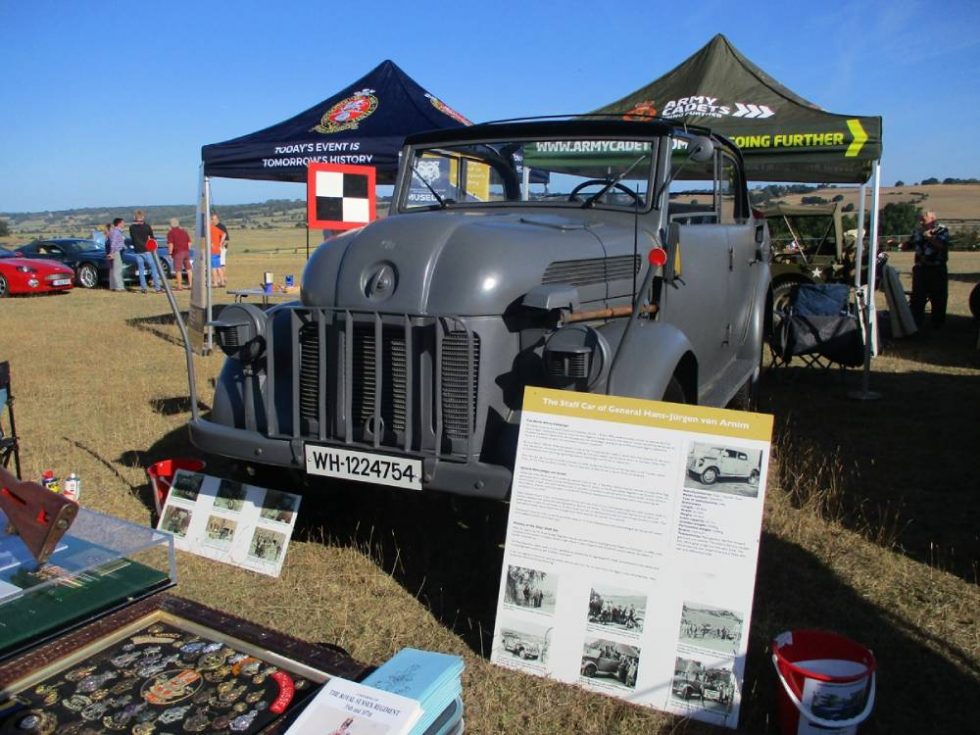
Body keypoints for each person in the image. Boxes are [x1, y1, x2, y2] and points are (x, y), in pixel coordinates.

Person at [909, 210, 950, 329]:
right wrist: (898, 244)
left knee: (938, 297)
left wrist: (930, 238)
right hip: (920, 269)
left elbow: (942, 246)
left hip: (936, 269)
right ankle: (916, 323)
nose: (921, 222)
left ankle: (937, 324)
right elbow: (911, 244)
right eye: (920, 220)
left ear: (933, 219)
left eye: (923, 219)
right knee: (918, 297)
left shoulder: (941, 230)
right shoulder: (917, 231)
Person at [129, 209, 162, 294]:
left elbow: (132, 238)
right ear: (143, 217)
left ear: (135, 218)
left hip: (137, 251)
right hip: (147, 250)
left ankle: (143, 288)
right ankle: (157, 287)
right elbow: (152, 238)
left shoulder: (132, 228)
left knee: (141, 270)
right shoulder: (147, 227)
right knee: (153, 268)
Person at [166, 218, 192, 290]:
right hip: (186, 251)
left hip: (178, 252)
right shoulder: (184, 232)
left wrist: (170, 253)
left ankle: (179, 286)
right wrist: (187, 249)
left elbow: (170, 244)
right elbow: (189, 242)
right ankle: (191, 284)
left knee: (178, 270)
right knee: (188, 268)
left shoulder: (170, 233)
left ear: (171, 225)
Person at [107, 217, 126, 291]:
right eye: (123, 223)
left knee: (114, 269)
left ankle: (114, 286)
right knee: (118, 270)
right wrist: (112, 253)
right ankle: (119, 287)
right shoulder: (116, 232)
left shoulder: (115, 231)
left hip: (116, 251)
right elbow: (113, 243)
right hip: (116, 251)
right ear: (119, 223)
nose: (124, 224)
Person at [209, 213, 227, 287]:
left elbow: (207, 239)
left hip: (212, 251)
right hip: (218, 250)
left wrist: (211, 244)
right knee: (218, 267)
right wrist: (220, 243)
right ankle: (222, 282)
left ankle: (215, 283)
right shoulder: (215, 228)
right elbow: (224, 234)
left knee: (213, 268)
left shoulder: (208, 229)